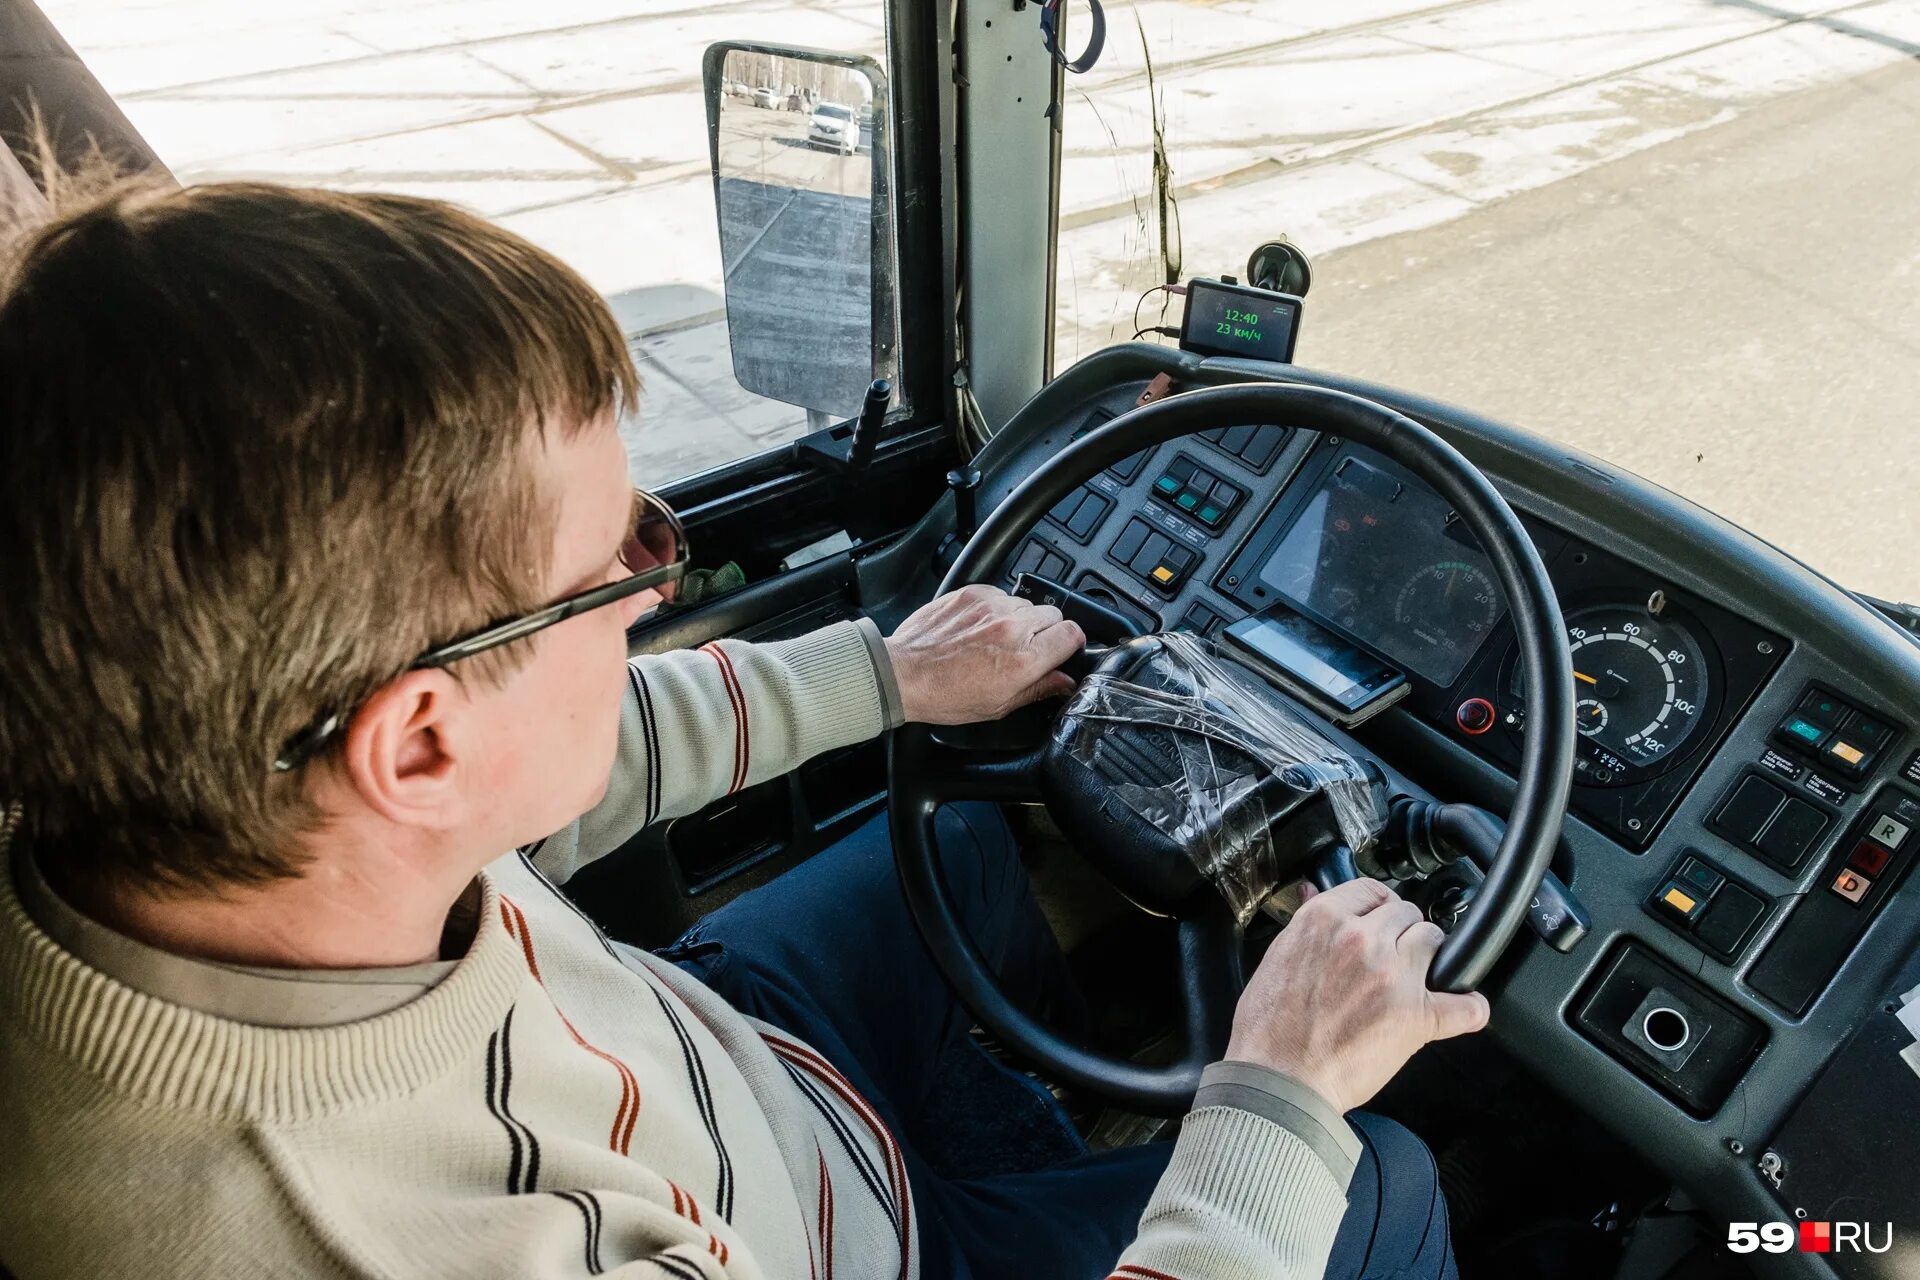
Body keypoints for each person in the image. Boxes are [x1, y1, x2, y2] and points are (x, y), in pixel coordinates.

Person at [0, 173, 1489, 1280]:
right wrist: (1277, 1095)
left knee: (971, 833)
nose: (656, 592)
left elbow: (575, 752)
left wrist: (887, 676)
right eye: (614, 566)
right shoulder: (419, 1246)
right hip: (836, 1245)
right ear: (421, 743)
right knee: (1387, 1183)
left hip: (734, 1073)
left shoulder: (230, 818)